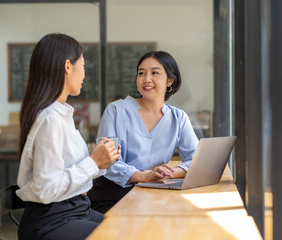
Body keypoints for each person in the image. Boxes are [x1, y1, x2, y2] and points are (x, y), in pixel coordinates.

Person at [16, 33, 120, 240]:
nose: (84, 75)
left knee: (127, 226)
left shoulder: (61, 114)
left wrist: (100, 162)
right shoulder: (50, 119)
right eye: (83, 67)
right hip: (51, 221)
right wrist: (93, 162)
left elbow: (64, 173)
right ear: (68, 66)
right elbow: (47, 189)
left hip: (75, 210)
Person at [87, 50, 198, 213]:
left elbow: (196, 160)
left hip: (153, 194)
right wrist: (145, 176)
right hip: (112, 196)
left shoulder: (178, 117)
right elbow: (108, 163)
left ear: (170, 81)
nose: (146, 79)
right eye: (141, 73)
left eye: (154, 73)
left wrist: (167, 174)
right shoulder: (116, 111)